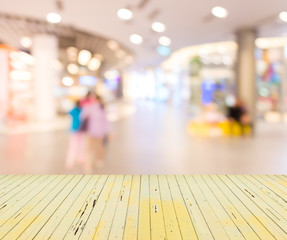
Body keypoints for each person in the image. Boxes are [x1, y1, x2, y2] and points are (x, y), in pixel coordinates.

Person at [80, 93, 110, 172]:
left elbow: (105, 121)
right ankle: (88, 165)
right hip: (91, 132)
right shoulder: (88, 107)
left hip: (100, 131)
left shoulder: (101, 108)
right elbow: (82, 117)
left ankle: (99, 160)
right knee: (90, 149)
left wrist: (109, 131)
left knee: (99, 147)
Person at [66, 100, 85, 169]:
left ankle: (72, 161)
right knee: (79, 146)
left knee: (74, 146)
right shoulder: (81, 110)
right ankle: (78, 160)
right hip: (77, 131)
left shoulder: (74, 110)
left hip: (75, 131)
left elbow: (67, 113)